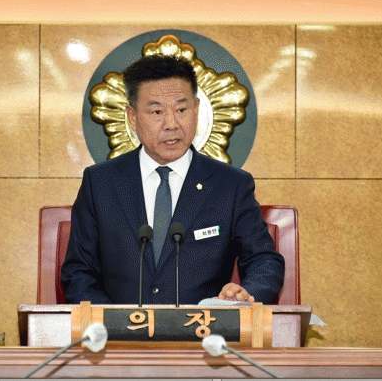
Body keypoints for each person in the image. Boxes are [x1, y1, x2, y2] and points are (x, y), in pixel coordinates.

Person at [61, 54, 284, 305]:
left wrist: (247, 294)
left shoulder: (230, 186)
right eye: (157, 111)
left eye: (181, 110)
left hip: (202, 328)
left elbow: (264, 260)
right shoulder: (100, 183)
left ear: (196, 110)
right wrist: (112, 322)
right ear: (132, 117)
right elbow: (78, 272)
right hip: (118, 329)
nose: (172, 124)